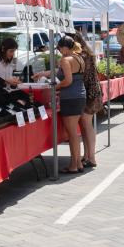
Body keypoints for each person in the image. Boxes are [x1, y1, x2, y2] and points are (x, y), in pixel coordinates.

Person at [34, 36, 86, 174]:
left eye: (59, 48)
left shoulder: (65, 59)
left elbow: (67, 80)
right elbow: (65, 74)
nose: (59, 51)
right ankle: (78, 163)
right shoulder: (79, 58)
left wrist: (54, 88)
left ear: (64, 47)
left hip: (70, 97)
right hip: (80, 96)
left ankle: (73, 165)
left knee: (72, 134)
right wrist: (44, 74)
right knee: (74, 132)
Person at [72, 32, 101, 168]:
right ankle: (87, 155)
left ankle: (92, 157)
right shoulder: (87, 53)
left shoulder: (81, 55)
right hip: (92, 91)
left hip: (88, 93)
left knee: (87, 125)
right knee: (85, 126)